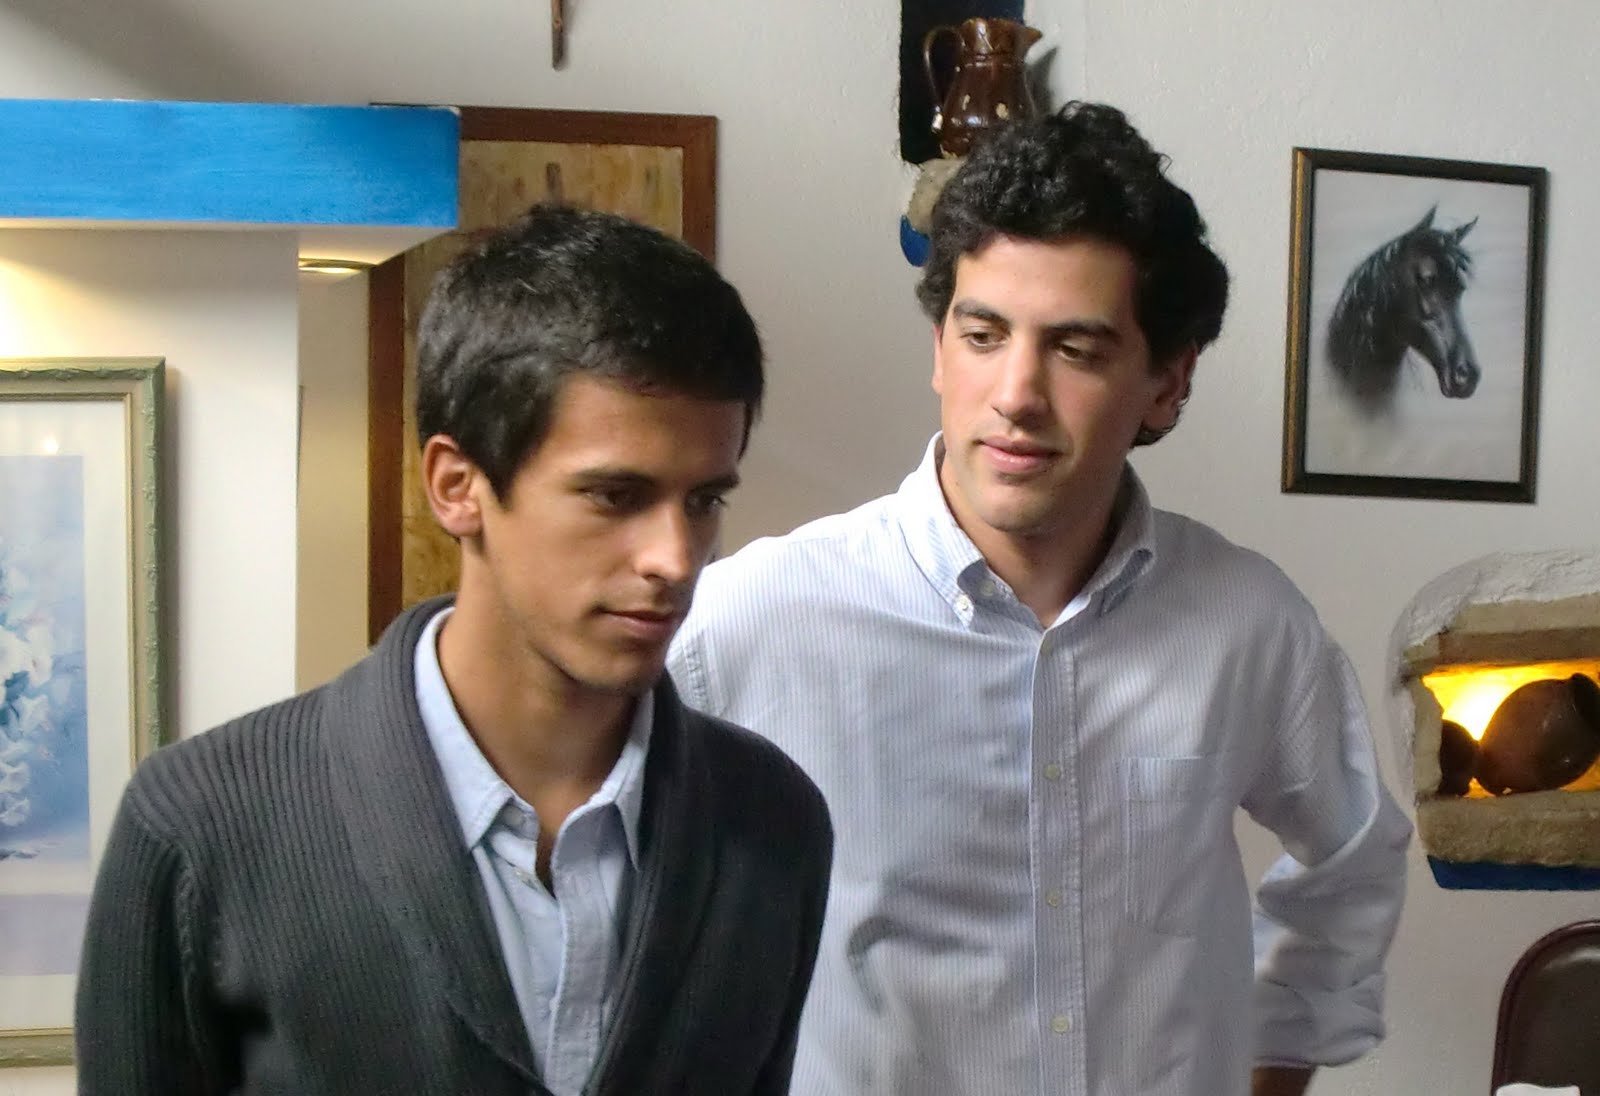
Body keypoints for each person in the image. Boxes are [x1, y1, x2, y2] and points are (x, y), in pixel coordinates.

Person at [668, 103, 1411, 1096]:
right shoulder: (752, 619)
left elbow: (1353, 862)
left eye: (1076, 349)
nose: (1016, 393)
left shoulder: (1247, 625)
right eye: (983, 335)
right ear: (940, 349)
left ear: (1167, 382)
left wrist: (1271, 1068)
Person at [75, 205, 833, 1095]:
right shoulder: (202, 824)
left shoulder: (772, 823)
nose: (674, 557)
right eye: (615, 495)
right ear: (456, 486)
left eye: (703, 501)